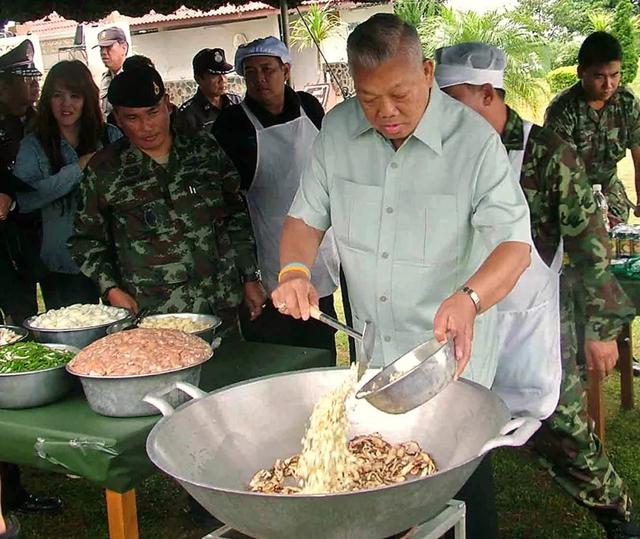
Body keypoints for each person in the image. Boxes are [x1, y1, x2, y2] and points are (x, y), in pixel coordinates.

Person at [272, 14, 532, 538]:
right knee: (384, 496)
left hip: (449, 365)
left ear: (428, 71)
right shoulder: (339, 131)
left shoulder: (472, 142)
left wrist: (470, 299)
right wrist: (295, 270)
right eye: (370, 99)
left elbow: (514, 246)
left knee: (460, 496)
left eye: (400, 95)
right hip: (376, 361)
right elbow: (304, 217)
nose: (386, 113)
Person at [436, 42, 640, 539]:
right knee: (447, 435)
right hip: (464, 320)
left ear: (487, 93)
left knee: (566, 434)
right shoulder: (441, 150)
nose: (438, 114)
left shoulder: (547, 154)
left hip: (532, 322)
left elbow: (591, 245)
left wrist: (600, 330)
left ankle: (622, 520)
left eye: (450, 100)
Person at [68, 66, 264, 336]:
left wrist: (250, 277)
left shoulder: (204, 151)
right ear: (117, 119)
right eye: (132, 118)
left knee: (229, 374)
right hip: (153, 314)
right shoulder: (105, 171)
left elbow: (236, 216)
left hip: (220, 304)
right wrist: (111, 289)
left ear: (167, 104)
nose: (147, 127)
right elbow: (86, 241)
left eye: (153, 112)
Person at [213, 36, 341, 357]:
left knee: (320, 338)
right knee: (277, 347)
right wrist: (247, 275)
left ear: (285, 69)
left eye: (268, 69)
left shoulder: (309, 106)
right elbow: (227, 202)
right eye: (251, 72)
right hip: (267, 249)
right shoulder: (233, 123)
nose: (260, 79)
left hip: (318, 245)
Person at [13, 60, 122, 310]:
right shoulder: (34, 145)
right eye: (57, 95)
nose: (66, 104)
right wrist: (77, 169)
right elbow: (26, 200)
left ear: (87, 98)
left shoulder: (110, 137)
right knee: (73, 342)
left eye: (75, 96)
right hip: (63, 264)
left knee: (123, 340)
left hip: (115, 259)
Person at [545, 31, 640, 224]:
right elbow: (562, 173)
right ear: (581, 72)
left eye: (615, 75)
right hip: (570, 195)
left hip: (610, 192)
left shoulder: (627, 104)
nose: (608, 85)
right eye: (599, 77)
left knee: (619, 242)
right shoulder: (562, 110)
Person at [176, 48, 241, 132]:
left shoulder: (236, 102)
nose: (222, 80)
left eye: (224, 74)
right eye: (215, 75)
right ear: (198, 79)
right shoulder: (187, 114)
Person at [95, 26, 128, 118]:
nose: (104, 52)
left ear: (124, 48)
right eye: (101, 48)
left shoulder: (134, 76)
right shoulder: (105, 78)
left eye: (108, 47)